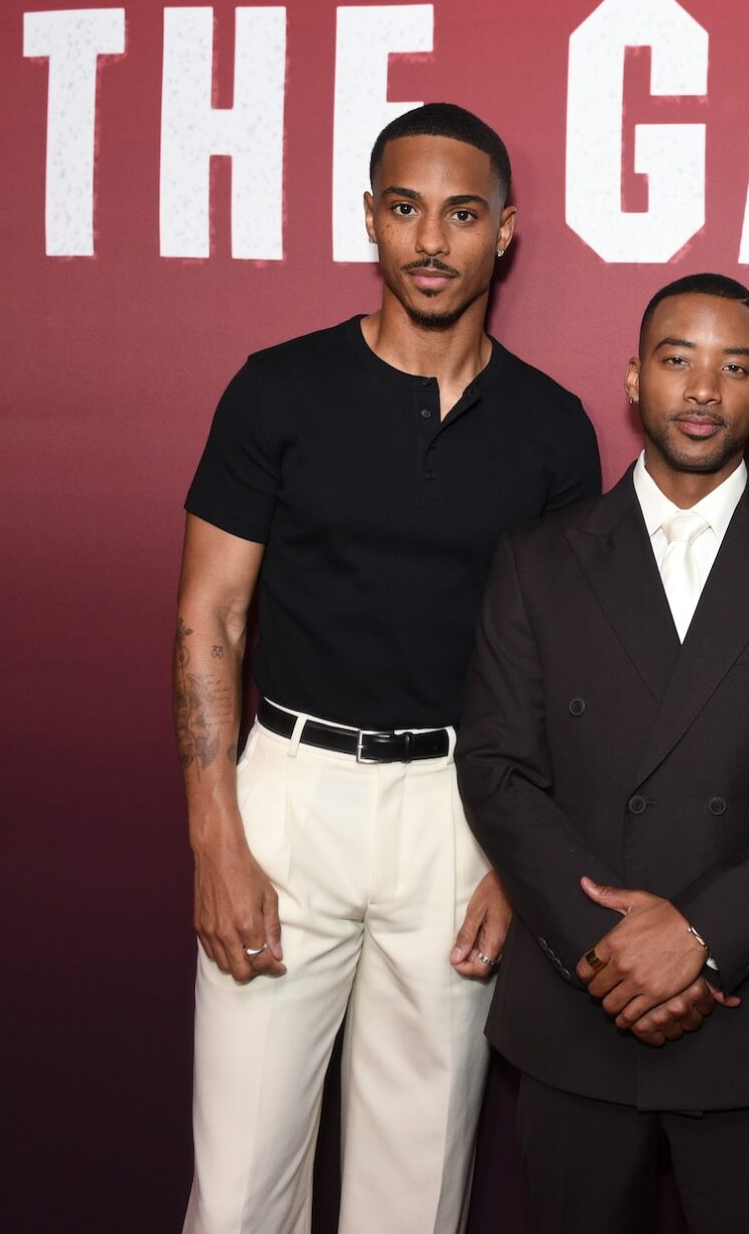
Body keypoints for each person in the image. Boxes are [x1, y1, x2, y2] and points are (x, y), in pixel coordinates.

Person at [175, 102, 600, 1234]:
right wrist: (216, 833)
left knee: (415, 1194)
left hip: (461, 811)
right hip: (290, 791)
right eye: (405, 209)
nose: (430, 240)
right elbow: (210, 618)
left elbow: (568, 665)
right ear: (369, 219)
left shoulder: (555, 427)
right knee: (241, 1189)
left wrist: (519, 861)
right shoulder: (277, 389)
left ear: (503, 233)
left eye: (462, 214)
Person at [455, 272, 749, 1234]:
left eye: (734, 366)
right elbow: (497, 772)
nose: (704, 389)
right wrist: (612, 954)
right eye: (678, 360)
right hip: (582, 1017)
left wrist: (698, 937)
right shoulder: (536, 561)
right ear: (633, 379)